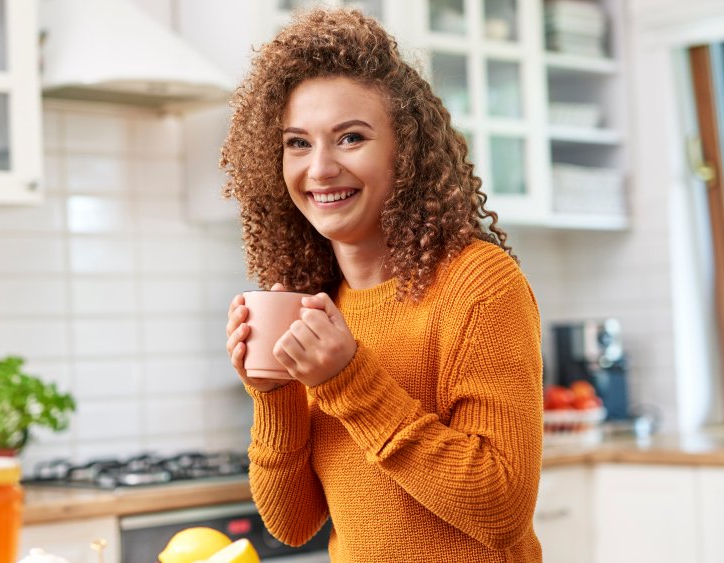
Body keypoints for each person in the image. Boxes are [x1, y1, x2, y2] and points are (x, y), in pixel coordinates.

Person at [221, 7, 542, 562]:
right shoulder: (315, 304)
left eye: (350, 138)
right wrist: (273, 395)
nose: (319, 169)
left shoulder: (479, 285)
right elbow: (292, 524)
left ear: (406, 153)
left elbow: (501, 507)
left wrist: (349, 382)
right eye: (298, 143)